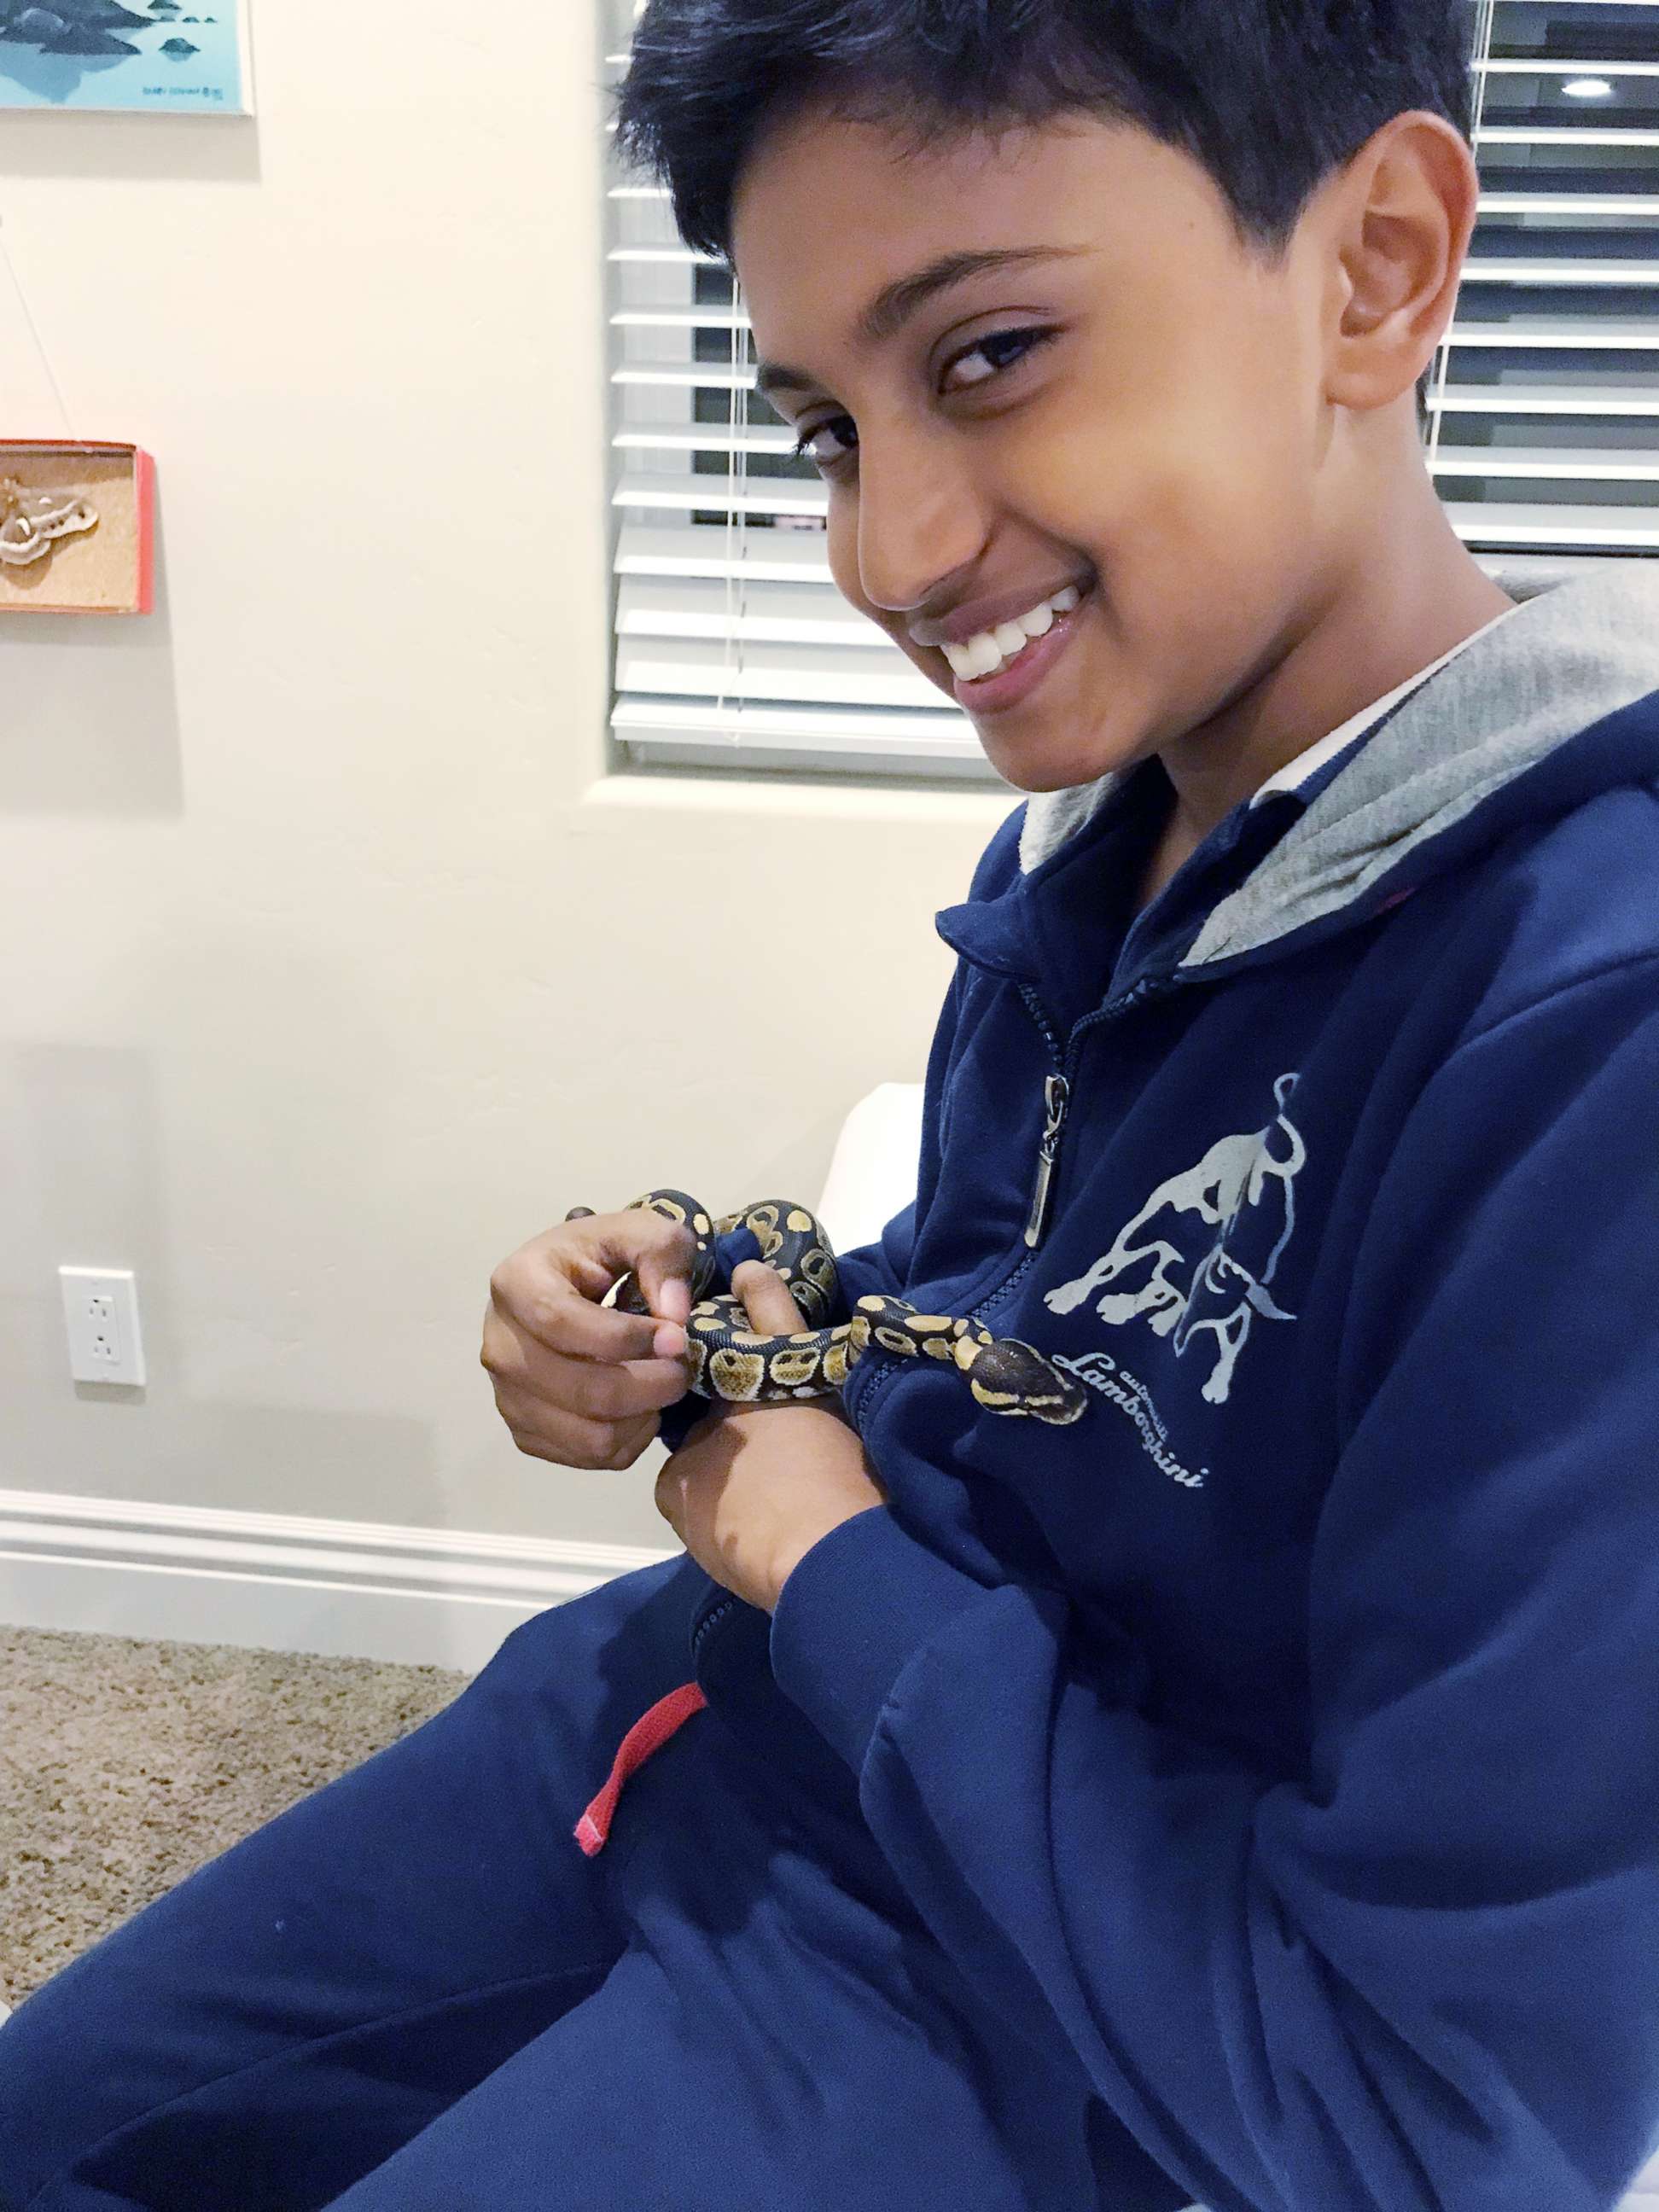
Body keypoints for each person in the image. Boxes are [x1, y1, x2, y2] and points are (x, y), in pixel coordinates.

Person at [3, 3, 1658, 2206]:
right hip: (722, 1723)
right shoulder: (1115, 842)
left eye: (986, 358)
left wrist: (833, 1560)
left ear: (1375, 265)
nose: (885, 553)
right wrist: (723, 1309)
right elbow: (1051, 1341)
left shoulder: (1590, 1031)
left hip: (1058, 1996)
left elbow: (1427, 2131)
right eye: (818, 428)